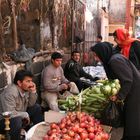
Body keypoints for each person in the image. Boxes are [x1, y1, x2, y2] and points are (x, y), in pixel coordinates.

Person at [91, 42, 140, 140]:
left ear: (103, 52)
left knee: (132, 117)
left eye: (97, 55)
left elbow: (127, 80)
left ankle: (132, 137)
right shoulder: (113, 58)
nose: (96, 59)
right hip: (131, 89)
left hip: (135, 90)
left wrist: (118, 96)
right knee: (129, 116)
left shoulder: (115, 60)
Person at [0, 69, 43, 140]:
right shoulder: (10, 93)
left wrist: (33, 92)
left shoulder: (25, 88)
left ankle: (36, 133)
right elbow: (9, 114)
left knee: (36, 107)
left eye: (31, 81)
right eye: (28, 81)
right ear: (19, 83)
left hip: (19, 114)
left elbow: (30, 104)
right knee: (17, 120)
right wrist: (24, 114)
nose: (31, 84)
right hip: (5, 121)